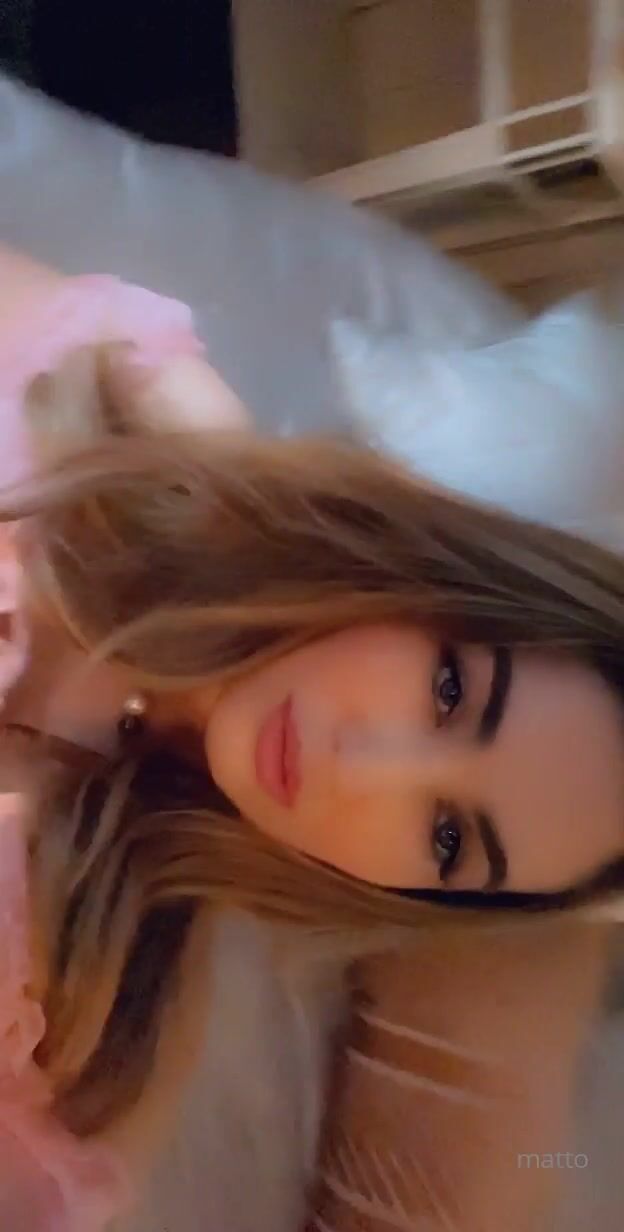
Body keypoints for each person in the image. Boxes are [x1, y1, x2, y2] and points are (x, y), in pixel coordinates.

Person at [0, 245, 620, 1229]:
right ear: (431, 579)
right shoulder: (142, 415)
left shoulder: (110, 999)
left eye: (446, 836)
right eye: (448, 691)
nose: (365, 769)